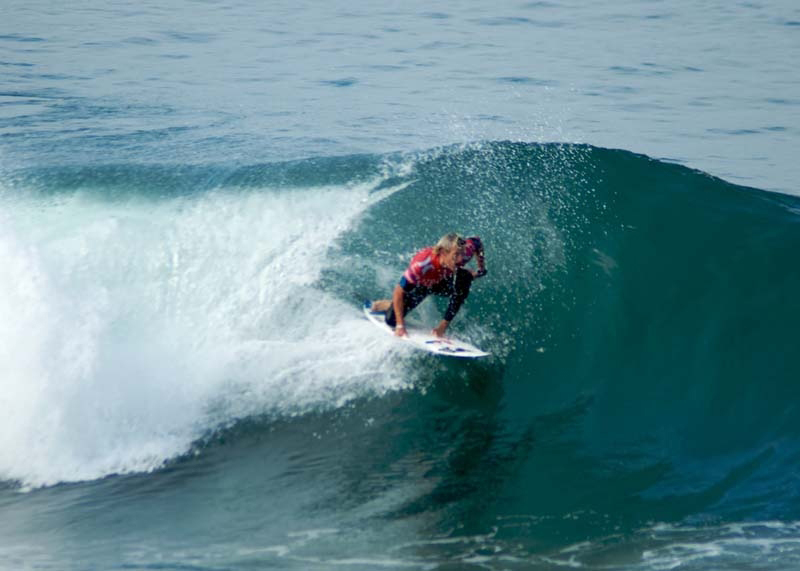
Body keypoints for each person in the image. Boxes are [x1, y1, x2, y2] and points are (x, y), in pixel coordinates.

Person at [370, 233, 487, 338]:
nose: (461, 259)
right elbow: (398, 291)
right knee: (392, 321)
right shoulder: (422, 264)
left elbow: (477, 242)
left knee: (465, 279)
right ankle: (386, 304)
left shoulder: (463, 253)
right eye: (456, 255)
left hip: (441, 280)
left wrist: (481, 267)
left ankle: (442, 327)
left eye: (462, 254)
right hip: (422, 284)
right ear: (443, 252)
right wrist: (400, 326)